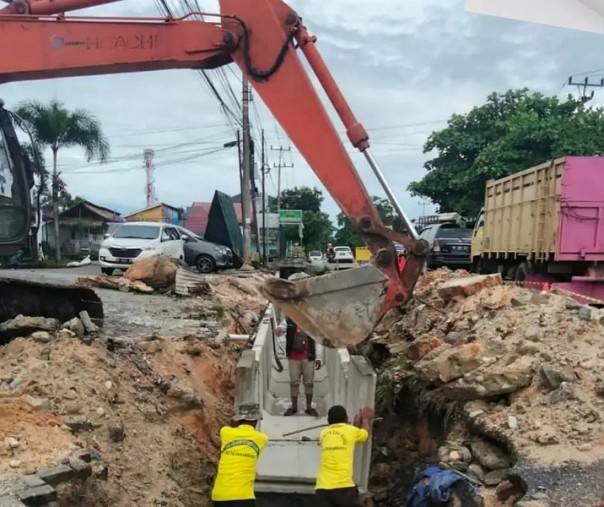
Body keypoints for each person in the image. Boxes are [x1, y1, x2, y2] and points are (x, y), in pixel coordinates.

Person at [274, 272, 323, 417]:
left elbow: (318, 338)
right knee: (294, 383)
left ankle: (308, 407)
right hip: (293, 356)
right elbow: (283, 327)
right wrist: (279, 330)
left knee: (309, 383)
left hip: (308, 356)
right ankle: (294, 407)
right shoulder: (290, 317)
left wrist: (318, 357)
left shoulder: (313, 318)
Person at [315, 405, 374, 507]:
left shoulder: (323, 434)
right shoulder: (351, 431)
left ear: (328, 420)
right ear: (346, 419)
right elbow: (365, 434)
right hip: (344, 488)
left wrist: (352, 427)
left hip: (322, 488)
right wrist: (365, 420)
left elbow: (343, 438)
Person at [211, 404, 268, 507]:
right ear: (256, 421)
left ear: (237, 419)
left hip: (219, 495)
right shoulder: (262, 439)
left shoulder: (225, 432)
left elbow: (230, 425)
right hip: (243, 496)